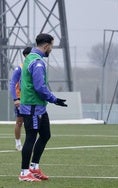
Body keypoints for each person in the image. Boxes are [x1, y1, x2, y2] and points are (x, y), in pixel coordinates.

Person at [18, 33, 68, 182]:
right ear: (46, 45)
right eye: (51, 46)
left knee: (45, 135)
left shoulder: (30, 58)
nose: (51, 49)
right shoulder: (38, 63)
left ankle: (34, 168)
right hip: (33, 106)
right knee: (31, 137)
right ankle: (24, 172)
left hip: (38, 106)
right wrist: (54, 99)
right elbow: (40, 87)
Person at [9, 47, 32, 151]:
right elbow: (12, 83)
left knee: (33, 121)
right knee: (20, 121)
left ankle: (30, 142)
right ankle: (18, 143)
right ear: (26, 55)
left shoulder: (35, 66)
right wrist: (15, 99)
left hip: (32, 98)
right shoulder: (20, 68)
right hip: (21, 99)